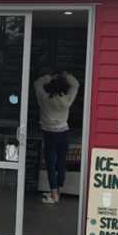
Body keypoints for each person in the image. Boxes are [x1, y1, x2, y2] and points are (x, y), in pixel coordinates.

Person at [34, 71, 80, 204]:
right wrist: (66, 76)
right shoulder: (66, 101)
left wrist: (50, 77)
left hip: (49, 133)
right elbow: (76, 84)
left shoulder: (43, 98)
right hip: (63, 132)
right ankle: (58, 187)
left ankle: (54, 194)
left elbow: (37, 83)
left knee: (50, 164)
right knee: (61, 161)